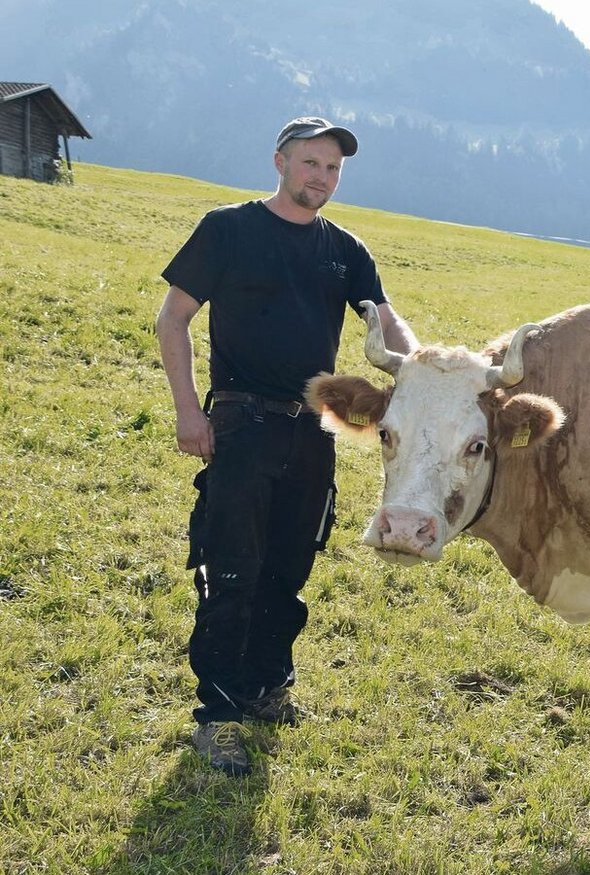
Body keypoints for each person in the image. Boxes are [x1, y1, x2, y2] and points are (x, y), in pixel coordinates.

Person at [156, 116, 416, 776]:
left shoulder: (346, 250)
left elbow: (387, 325)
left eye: (332, 168)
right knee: (234, 567)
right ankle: (218, 715)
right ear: (279, 161)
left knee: (290, 568)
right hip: (241, 424)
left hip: (312, 432)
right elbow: (173, 318)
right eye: (310, 163)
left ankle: (268, 688)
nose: (321, 177)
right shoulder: (228, 229)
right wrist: (190, 410)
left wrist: (426, 367)